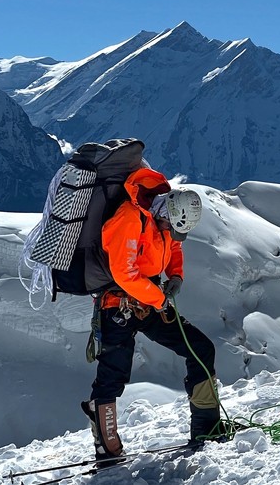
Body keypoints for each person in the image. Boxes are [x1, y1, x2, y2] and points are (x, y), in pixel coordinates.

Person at [81, 167, 220, 464]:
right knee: (111, 379)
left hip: (147, 302)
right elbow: (124, 272)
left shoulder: (164, 220)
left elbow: (175, 248)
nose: (173, 233)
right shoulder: (128, 219)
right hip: (118, 307)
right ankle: (107, 448)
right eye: (171, 226)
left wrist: (176, 276)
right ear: (166, 211)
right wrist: (159, 299)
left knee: (200, 348)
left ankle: (206, 426)